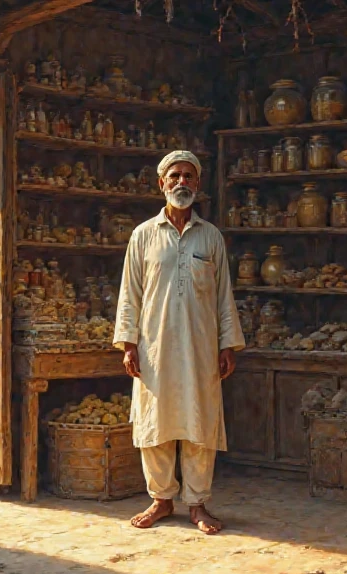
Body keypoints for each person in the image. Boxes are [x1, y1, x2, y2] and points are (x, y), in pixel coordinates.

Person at [113, 150, 245, 535]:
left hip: (201, 348)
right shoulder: (143, 235)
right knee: (155, 422)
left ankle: (198, 503)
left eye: (189, 176)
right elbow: (129, 295)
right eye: (175, 176)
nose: (182, 182)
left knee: (199, 422)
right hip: (153, 347)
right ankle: (161, 499)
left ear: (198, 184)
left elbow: (224, 296)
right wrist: (128, 344)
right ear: (162, 183)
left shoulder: (211, 236)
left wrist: (226, 345)